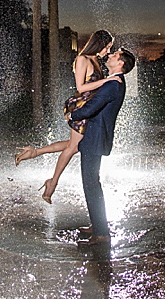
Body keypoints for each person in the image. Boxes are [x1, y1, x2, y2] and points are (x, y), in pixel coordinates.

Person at [14, 30, 120, 203]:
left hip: (89, 109)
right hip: (80, 107)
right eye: (107, 47)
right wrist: (107, 81)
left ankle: (34, 153)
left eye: (109, 48)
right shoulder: (82, 59)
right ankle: (52, 184)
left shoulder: (95, 60)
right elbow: (81, 87)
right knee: (74, 147)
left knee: (74, 145)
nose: (107, 51)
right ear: (99, 43)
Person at [66, 47, 135, 247]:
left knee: (91, 184)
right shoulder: (114, 82)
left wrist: (73, 115)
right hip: (96, 137)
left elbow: (93, 106)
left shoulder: (113, 84)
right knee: (92, 184)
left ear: (120, 63)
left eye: (114, 55)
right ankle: (98, 226)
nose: (110, 56)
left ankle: (102, 234)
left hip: (95, 138)